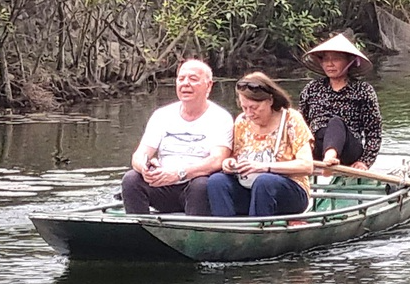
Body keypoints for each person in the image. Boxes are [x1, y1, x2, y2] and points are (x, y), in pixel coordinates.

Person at [121, 59, 232, 216]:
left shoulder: (221, 117)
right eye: (181, 79)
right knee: (131, 179)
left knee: (202, 185)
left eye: (193, 79)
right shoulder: (162, 115)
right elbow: (139, 155)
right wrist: (145, 168)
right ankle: (138, 230)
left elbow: (217, 160)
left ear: (209, 85)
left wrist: (179, 173)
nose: (185, 84)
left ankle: (194, 233)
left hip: (196, 184)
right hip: (164, 185)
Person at [207, 72, 315, 218]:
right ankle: (226, 229)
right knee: (216, 181)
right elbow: (236, 156)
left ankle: (258, 230)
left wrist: (265, 167)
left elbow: (307, 166)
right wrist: (230, 163)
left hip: (288, 190)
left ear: (270, 100)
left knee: (264, 181)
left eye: (254, 107)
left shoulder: (291, 119)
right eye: (244, 108)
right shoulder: (242, 121)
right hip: (248, 187)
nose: (249, 113)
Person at [299, 33, 383, 170]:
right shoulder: (312, 89)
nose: (329, 64)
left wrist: (365, 161)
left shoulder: (363, 90)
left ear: (349, 61)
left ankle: (330, 157)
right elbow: (301, 124)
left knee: (336, 122)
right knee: (318, 131)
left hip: (349, 149)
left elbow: (374, 130)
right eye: (326, 59)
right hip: (317, 147)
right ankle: (326, 159)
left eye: (336, 59)